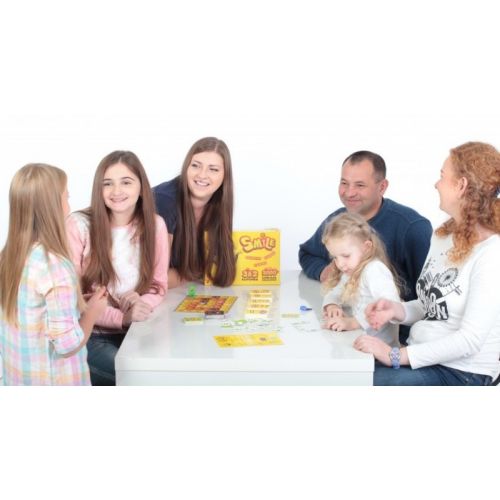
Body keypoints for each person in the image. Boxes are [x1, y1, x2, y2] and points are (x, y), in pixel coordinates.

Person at [355, 142, 500, 385]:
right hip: (423, 357)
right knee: (351, 370)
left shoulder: (492, 253)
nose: (436, 184)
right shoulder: (443, 235)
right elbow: (430, 306)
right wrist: (396, 310)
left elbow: (469, 340)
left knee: (360, 382)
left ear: (461, 185)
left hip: (463, 373)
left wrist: (394, 355)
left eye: (442, 176)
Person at [298, 150, 432, 343]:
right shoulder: (338, 221)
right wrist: (325, 273)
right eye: (344, 183)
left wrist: (405, 351)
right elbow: (307, 254)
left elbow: (431, 300)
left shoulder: (413, 228)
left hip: (396, 340)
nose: (349, 192)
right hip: (354, 333)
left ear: (382, 187)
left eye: (360, 185)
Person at [67, 151, 169, 385]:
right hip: (90, 335)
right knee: (138, 379)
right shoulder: (78, 225)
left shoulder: (155, 225)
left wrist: (140, 304)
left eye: (126, 182)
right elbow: (72, 299)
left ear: (141, 188)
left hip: (137, 330)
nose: (116, 191)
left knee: (168, 372)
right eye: (107, 184)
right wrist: (122, 317)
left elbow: (158, 285)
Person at [0, 164, 107, 385]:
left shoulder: (7, 257)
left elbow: (33, 316)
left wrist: (76, 305)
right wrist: (93, 312)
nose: (69, 205)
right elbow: (67, 346)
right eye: (66, 197)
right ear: (53, 207)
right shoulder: (55, 266)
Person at [153, 137, 236, 288]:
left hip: (176, 293)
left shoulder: (219, 202)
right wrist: (193, 272)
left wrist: (192, 272)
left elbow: (215, 266)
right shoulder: (164, 201)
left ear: (225, 175)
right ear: (187, 167)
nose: (202, 175)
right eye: (196, 166)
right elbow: (156, 279)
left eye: (213, 169)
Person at [321, 212, 401, 347]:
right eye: (335, 257)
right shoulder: (350, 271)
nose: (340, 264)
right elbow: (335, 293)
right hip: (360, 344)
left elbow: (389, 307)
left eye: (346, 256)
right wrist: (332, 305)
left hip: (381, 349)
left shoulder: (375, 270)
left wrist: (353, 322)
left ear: (367, 247)